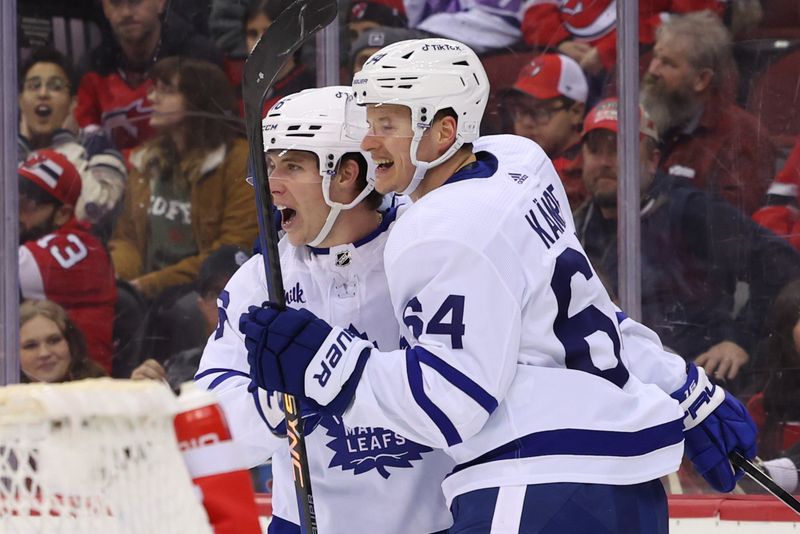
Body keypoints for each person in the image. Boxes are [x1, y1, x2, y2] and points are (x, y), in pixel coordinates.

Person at [240, 38, 757, 532]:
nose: (369, 140)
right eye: (370, 121)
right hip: (629, 480)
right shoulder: (519, 164)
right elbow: (586, 312)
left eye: (388, 123)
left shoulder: (435, 232)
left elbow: (449, 403)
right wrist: (684, 387)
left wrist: (324, 362)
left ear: (444, 132)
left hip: (534, 483)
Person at [196, 86, 454, 533]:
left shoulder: (425, 254)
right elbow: (209, 433)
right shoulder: (260, 281)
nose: (273, 185)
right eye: (270, 166)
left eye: (293, 166)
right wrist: (276, 404)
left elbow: (463, 388)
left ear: (347, 174)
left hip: (436, 524)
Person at [574, 98, 800, 386]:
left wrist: (740, 340)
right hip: (619, 380)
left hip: (694, 380)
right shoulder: (577, 225)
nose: (604, 161)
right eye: (595, 149)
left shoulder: (687, 209)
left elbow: (781, 264)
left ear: (653, 160)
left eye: (618, 149)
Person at [108, 56, 257, 300]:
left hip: (204, 290)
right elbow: (127, 239)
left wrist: (149, 284)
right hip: (144, 288)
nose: (152, 98)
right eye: (154, 89)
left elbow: (233, 250)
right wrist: (117, 280)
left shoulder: (238, 162)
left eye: (166, 91)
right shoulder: (146, 161)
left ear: (197, 100)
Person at [641, 10, 775, 215]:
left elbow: (728, 227)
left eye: (668, 63)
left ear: (701, 79)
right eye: (655, 57)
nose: (653, 70)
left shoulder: (743, 137)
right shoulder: (652, 122)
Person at [75, 0, 223, 151]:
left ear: (161, 3)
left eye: (135, 1)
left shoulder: (199, 59)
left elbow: (215, 134)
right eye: (116, 2)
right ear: (105, 8)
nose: (126, 12)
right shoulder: (91, 69)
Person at [18, 149, 117, 373]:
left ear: (62, 213)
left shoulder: (82, 249)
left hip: (83, 391)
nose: (16, 214)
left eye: (28, 205)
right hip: (38, 384)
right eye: (14, 200)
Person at [19, 47, 127, 229]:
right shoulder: (9, 148)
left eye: (56, 86)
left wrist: (64, 144)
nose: (43, 93)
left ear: (73, 103)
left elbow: (95, 212)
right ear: (21, 101)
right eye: (34, 86)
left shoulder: (98, 146)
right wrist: (19, 148)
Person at [131, 244, 250, 392]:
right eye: (216, 294)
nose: (226, 303)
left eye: (238, 290)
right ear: (201, 305)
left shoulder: (279, 367)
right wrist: (145, 393)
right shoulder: (180, 368)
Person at [521, 1, 725, 76]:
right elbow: (534, 12)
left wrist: (611, 49)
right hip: (565, 59)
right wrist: (560, 44)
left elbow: (692, 20)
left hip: (629, 67)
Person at [501, 53, 588, 210]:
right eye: (520, 111)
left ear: (576, 112)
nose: (526, 123)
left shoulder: (587, 174)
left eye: (540, 111)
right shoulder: (506, 160)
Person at [19, 299, 107, 383]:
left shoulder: (101, 387)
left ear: (71, 343)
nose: (44, 353)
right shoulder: (6, 396)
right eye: (30, 346)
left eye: (54, 341)